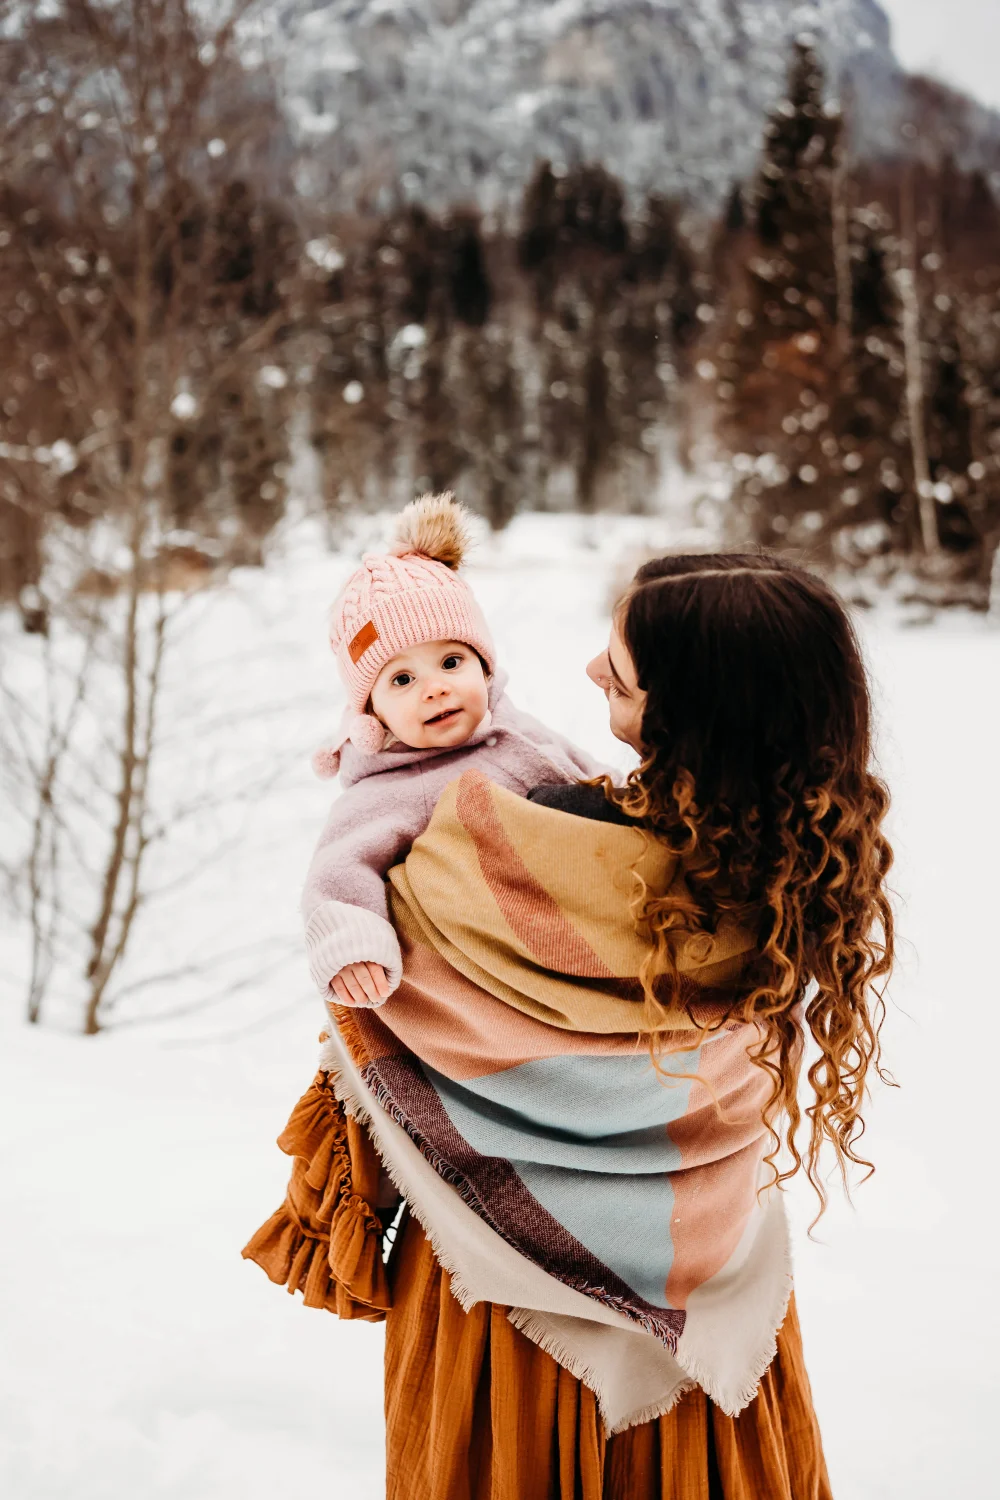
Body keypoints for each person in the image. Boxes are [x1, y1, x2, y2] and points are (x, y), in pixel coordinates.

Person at [246, 549, 894, 1500]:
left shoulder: (458, 859)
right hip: (710, 1297)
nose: (589, 670)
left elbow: (373, 1046)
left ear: (684, 711)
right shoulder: (775, 890)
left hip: (494, 1301)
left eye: (620, 669)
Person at [301, 491, 604, 1010]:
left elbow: (595, 778)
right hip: (509, 971)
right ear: (372, 713)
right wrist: (353, 945)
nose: (435, 689)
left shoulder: (517, 727)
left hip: (593, 912)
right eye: (401, 678)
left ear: (483, 665)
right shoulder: (393, 788)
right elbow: (338, 871)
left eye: (450, 662)